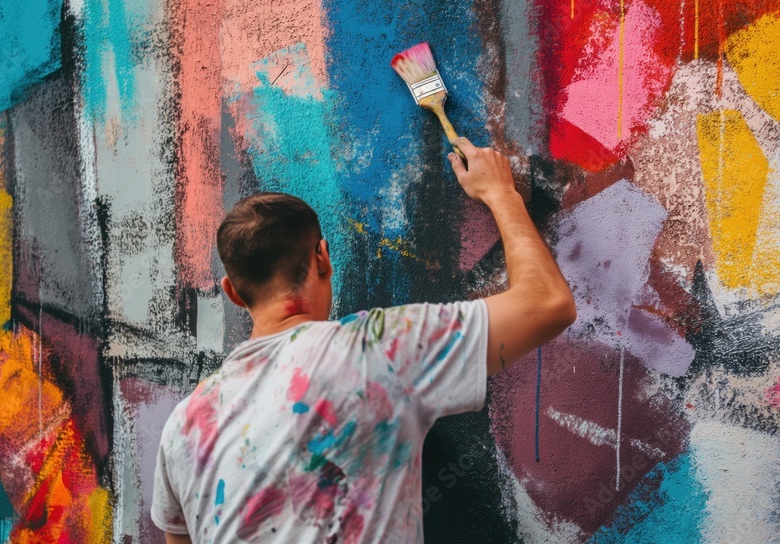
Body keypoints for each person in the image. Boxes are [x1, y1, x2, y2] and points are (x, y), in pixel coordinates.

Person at [152, 137, 576, 543]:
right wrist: (502, 193)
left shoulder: (183, 428)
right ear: (322, 256)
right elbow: (548, 303)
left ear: (232, 291)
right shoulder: (377, 349)